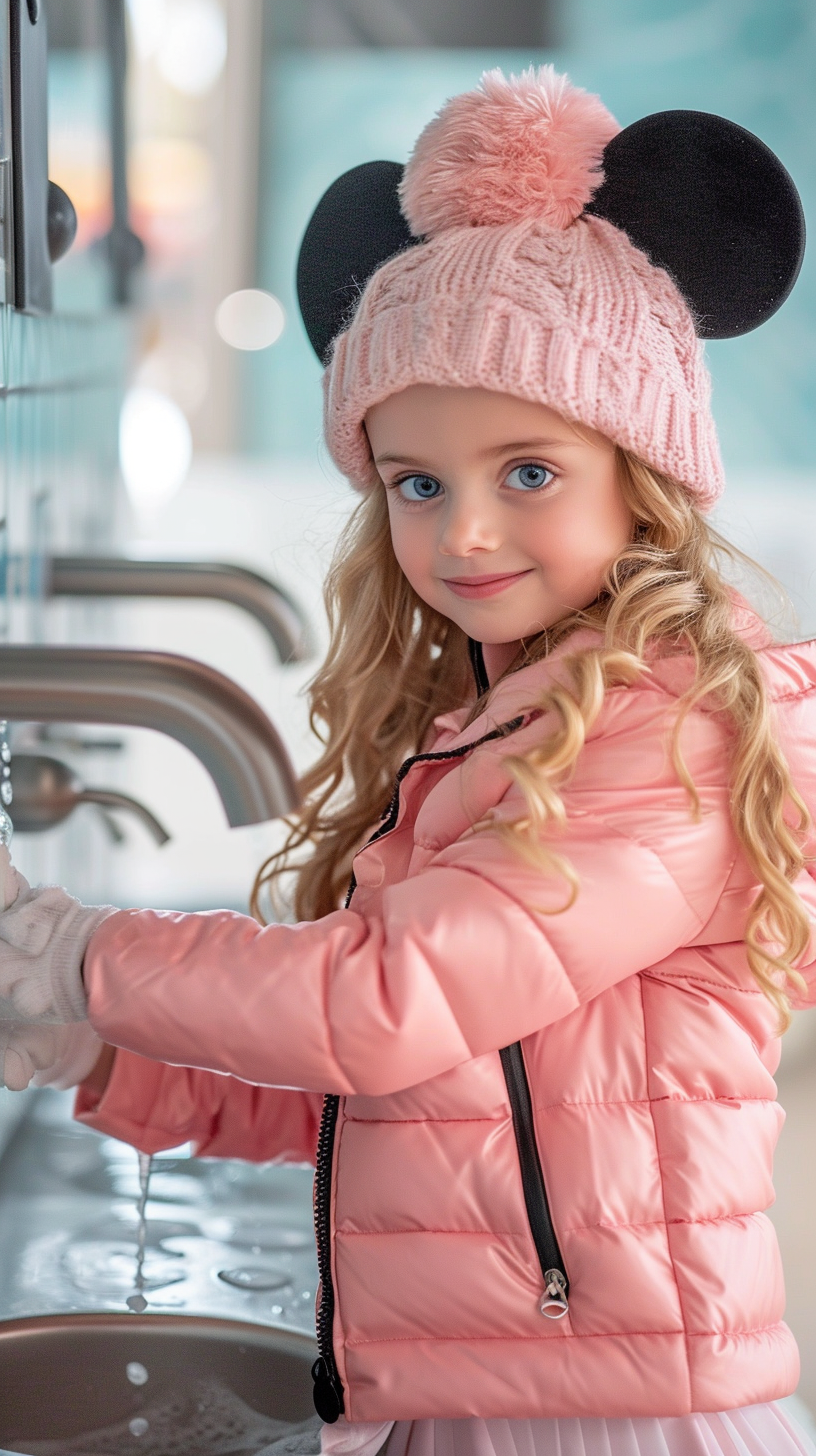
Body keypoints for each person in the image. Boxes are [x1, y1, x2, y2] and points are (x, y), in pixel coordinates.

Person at [0, 65, 815, 1456]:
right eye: (416, 484)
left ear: (646, 470)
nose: (466, 535)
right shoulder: (508, 724)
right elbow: (395, 1085)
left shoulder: (672, 730)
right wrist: (101, 1039)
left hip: (610, 1423)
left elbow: (377, 1006)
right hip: (487, 1384)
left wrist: (72, 947)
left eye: (532, 471)